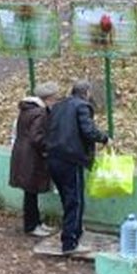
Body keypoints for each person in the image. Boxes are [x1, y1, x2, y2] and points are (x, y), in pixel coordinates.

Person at [44, 79, 109, 256]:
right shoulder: (82, 106)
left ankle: (74, 231)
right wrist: (104, 138)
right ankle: (70, 242)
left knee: (67, 199)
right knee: (75, 200)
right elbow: (88, 131)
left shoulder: (58, 106)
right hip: (70, 158)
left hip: (53, 157)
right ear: (86, 93)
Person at [9, 81, 59, 237]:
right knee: (31, 192)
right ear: (48, 99)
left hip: (22, 154)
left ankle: (35, 222)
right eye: (54, 99)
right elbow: (37, 137)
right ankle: (32, 225)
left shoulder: (27, 110)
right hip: (31, 157)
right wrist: (48, 148)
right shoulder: (40, 113)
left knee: (30, 192)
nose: (56, 102)